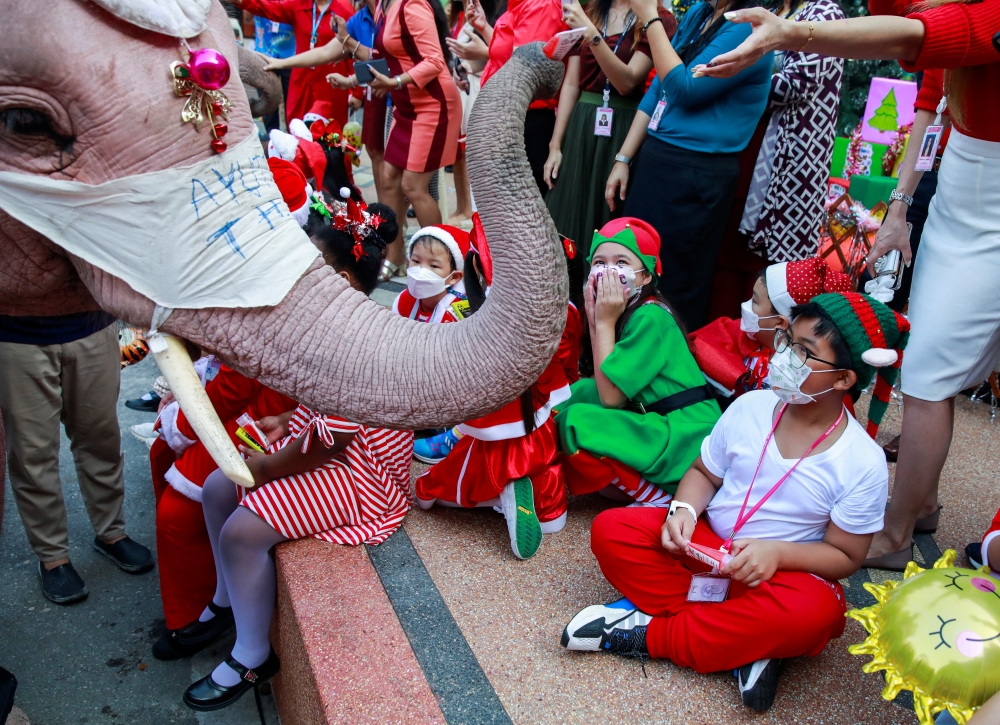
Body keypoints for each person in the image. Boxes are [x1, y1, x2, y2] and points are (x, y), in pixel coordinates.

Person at [696, 0, 1000, 569]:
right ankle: (915, 505)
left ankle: (896, 532)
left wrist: (793, 32)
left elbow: (917, 34)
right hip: (959, 186)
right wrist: (899, 207)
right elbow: (930, 99)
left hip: (986, 189)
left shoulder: (974, 17)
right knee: (928, 370)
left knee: (930, 376)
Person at [562, 292, 909, 713]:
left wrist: (776, 553)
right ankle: (747, 643)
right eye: (788, 342)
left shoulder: (862, 462)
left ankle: (647, 633)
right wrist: (684, 511)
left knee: (815, 612)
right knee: (613, 530)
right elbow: (704, 473)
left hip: (773, 574)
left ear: (843, 380)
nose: (785, 358)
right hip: (704, 549)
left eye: (804, 353)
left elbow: (846, 555)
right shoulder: (752, 406)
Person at [181, 207, 414, 712]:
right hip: (327, 443)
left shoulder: (357, 342)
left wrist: (266, 467)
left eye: (305, 267)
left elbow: (333, 443)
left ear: (341, 281)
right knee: (220, 486)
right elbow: (323, 416)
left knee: (242, 532)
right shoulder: (337, 324)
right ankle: (228, 597)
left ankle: (252, 653)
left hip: (361, 472)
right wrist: (289, 418)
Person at [414, 216, 580, 559]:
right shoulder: (561, 309)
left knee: (430, 491)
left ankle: (503, 493)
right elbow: (567, 361)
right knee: (545, 472)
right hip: (541, 420)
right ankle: (543, 505)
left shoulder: (489, 319)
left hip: (499, 423)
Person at [605, 0, 773, 330]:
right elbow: (659, 87)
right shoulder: (699, 12)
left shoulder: (747, 27)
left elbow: (684, 88)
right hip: (657, 157)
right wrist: (623, 158)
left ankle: (664, 371)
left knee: (674, 284)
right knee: (632, 267)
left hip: (697, 172)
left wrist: (650, 17)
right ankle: (618, 359)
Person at [556, 218, 721, 507]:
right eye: (599, 262)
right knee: (581, 391)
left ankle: (656, 498)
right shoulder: (625, 309)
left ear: (646, 277)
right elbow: (603, 378)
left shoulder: (650, 317)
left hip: (683, 436)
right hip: (653, 417)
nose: (608, 272)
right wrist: (596, 320)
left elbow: (611, 398)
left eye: (621, 262)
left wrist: (603, 321)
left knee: (574, 421)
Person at [0, 312, 154, 604]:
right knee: (32, 455)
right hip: (15, 334)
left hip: (91, 325)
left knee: (101, 439)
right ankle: (52, 557)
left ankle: (112, 533)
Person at [324, 0, 463, 280]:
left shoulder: (412, 6)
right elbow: (382, 60)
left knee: (413, 186)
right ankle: (395, 254)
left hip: (433, 103)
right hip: (406, 106)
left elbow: (435, 61)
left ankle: (443, 261)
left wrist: (396, 83)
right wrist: (351, 80)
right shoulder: (382, 7)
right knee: (388, 178)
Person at [544, 0, 675, 253]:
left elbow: (627, 81)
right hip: (581, 123)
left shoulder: (657, 17)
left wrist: (592, 36)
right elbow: (572, 83)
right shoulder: (589, 10)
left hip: (625, 125)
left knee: (611, 214)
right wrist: (556, 144)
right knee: (568, 215)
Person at [738, 0, 844, 262]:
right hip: (751, 140)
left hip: (791, 153)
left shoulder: (825, 12)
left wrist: (731, 83)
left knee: (764, 268)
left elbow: (797, 83)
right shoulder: (774, 7)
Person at [688, 257, 852, 399]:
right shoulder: (739, 333)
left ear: (780, 323)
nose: (746, 306)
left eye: (754, 301)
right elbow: (704, 344)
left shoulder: (804, 373)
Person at [476, 0, 567, 196]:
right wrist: (484, 28)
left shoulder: (540, 5)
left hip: (523, 121)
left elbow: (524, 73)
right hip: (511, 116)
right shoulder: (519, 4)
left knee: (518, 205)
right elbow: (506, 56)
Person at [234, 0, 356, 128]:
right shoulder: (299, 5)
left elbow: (353, 49)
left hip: (331, 84)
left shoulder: (344, 9)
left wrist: (356, 90)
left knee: (330, 136)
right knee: (297, 131)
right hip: (301, 83)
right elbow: (269, 8)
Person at [392, 225, 470, 323]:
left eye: (433, 266)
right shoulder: (404, 300)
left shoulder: (458, 314)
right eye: (416, 261)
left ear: (454, 277)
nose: (421, 271)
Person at [254, 15, 296, 132]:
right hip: (264, 52)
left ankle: (296, 141)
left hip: (292, 54)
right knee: (268, 102)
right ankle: (272, 140)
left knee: (294, 104)